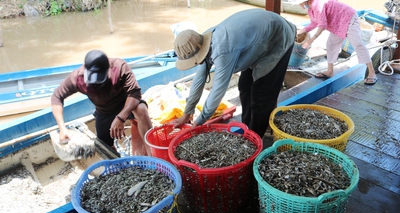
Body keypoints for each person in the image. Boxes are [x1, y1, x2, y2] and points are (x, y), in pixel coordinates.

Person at [170, 9, 296, 139]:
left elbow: (218, 91)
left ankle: (255, 137)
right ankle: (247, 128)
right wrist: (187, 113)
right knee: (244, 86)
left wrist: (198, 122)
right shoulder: (201, 41)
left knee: (261, 96)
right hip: (257, 39)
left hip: (278, 37)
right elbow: (199, 79)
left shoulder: (222, 51)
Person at [51, 50, 153, 155]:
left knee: (141, 109)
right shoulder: (77, 78)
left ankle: (153, 155)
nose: (97, 85)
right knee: (104, 148)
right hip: (104, 111)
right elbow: (56, 97)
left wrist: (120, 118)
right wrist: (62, 128)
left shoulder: (119, 67)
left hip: (127, 105)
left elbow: (135, 93)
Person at [294, 0, 378, 85]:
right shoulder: (310, 9)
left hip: (348, 18)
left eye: (299, 3)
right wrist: (298, 32)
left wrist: (310, 41)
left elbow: (322, 25)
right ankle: (330, 71)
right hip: (338, 23)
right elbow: (314, 23)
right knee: (331, 44)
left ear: (304, 2)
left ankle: (372, 72)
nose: (299, 5)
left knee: (358, 44)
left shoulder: (317, 4)